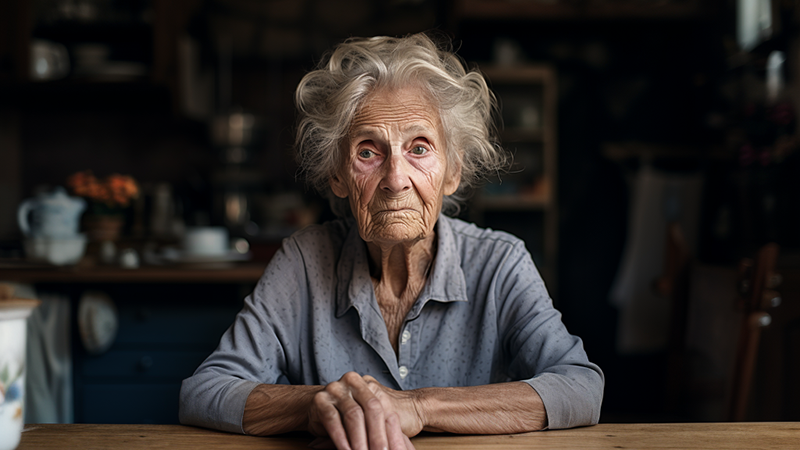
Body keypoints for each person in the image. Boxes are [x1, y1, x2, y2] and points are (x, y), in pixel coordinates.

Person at [179, 32, 603, 450]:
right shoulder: (304, 262)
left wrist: (416, 408)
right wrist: (323, 405)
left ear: (452, 172)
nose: (396, 180)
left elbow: (580, 388)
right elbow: (204, 392)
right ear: (338, 175)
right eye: (368, 152)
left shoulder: (499, 263)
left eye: (419, 149)